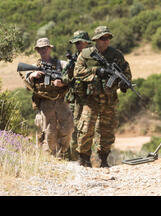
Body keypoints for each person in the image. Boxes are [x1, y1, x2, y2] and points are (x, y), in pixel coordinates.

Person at [74, 26, 132, 167]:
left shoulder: (116, 55)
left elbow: (126, 73)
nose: (106, 41)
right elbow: (78, 72)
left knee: (107, 130)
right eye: (102, 38)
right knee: (86, 129)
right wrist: (96, 71)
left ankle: (104, 159)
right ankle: (84, 159)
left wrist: (124, 83)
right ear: (96, 40)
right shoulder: (86, 54)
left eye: (108, 38)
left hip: (109, 99)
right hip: (91, 99)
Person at [23, 38, 74, 158]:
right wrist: (32, 76)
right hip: (45, 104)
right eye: (41, 48)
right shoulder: (35, 66)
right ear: (37, 50)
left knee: (67, 129)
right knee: (49, 133)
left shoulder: (61, 64)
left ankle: (63, 154)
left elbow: (72, 76)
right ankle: (50, 159)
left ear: (50, 49)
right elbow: (26, 83)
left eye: (46, 48)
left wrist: (63, 83)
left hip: (61, 102)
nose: (44, 50)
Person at [61, 31, 92, 161]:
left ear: (86, 43)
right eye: (76, 43)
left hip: (91, 99)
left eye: (79, 42)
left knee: (89, 130)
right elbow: (64, 78)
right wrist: (69, 72)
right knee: (74, 130)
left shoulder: (93, 57)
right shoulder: (73, 59)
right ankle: (76, 159)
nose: (78, 45)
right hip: (76, 99)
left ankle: (87, 158)